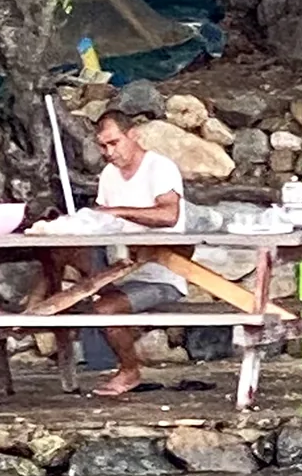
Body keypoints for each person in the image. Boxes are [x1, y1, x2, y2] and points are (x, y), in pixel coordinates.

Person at [42, 111, 192, 397]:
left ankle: (129, 371)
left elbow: (170, 214)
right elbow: (102, 223)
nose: (109, 152)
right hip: (122, 268)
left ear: (133, 135)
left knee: (105, 309)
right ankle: (32, 313)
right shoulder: (109, 175)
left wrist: (117, 211)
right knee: (59, 251)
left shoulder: (159, 168)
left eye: (114, 143)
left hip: (161, 276)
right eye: (103, 146)